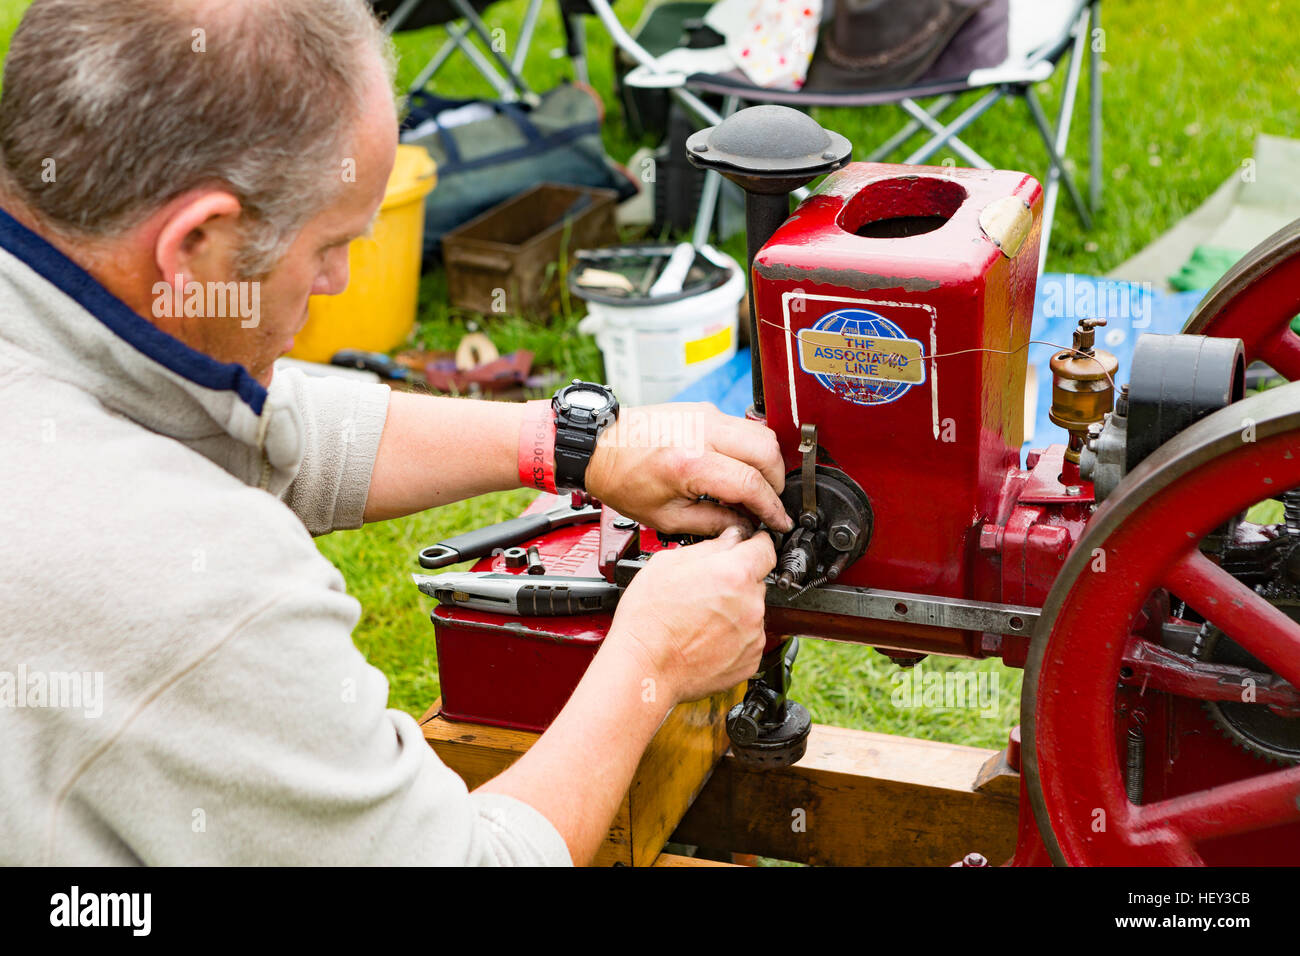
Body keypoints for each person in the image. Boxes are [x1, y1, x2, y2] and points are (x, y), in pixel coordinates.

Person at [0, 0, 790, 865]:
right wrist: (652, 659)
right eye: (328, 245)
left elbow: (250, 423)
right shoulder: (196, 585)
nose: (337, 282)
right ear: (195, 244)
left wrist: (570, 444)